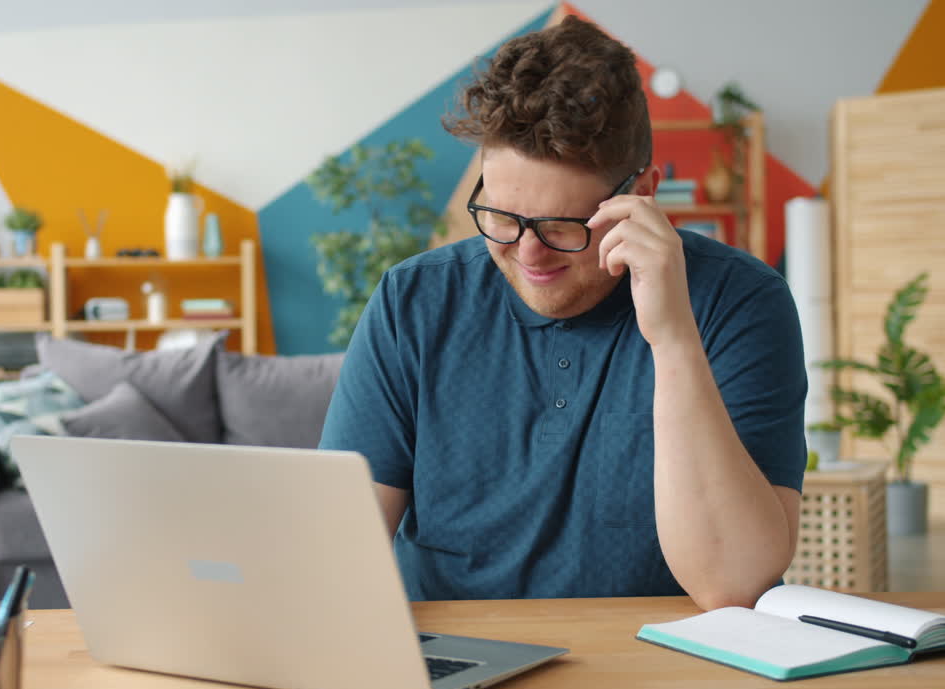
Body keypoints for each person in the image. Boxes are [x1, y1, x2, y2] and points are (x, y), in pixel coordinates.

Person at [319, 16, 806, 611]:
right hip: (462, 672)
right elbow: (335, 559)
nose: (528, 253)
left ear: (642, 195)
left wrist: (673, 337)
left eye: (562, 226)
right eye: (501, 216)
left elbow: (733, 584)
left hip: (666, 673)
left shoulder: (740, 302)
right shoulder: (412, 302)